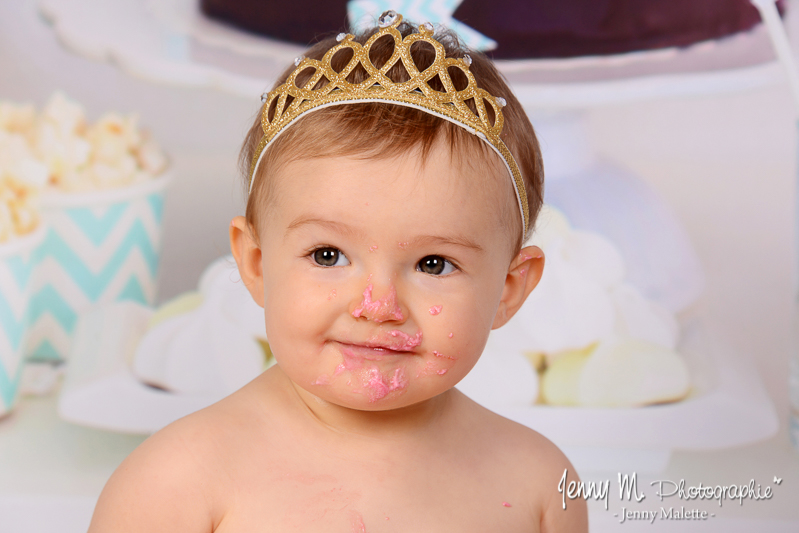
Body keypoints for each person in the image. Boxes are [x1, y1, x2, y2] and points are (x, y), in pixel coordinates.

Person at [89, 11, 588, 532]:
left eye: (433, 263)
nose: (378, 305)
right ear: (257, 263)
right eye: (328, 255)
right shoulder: (180, 484)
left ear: (510, 289)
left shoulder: (540, 487)